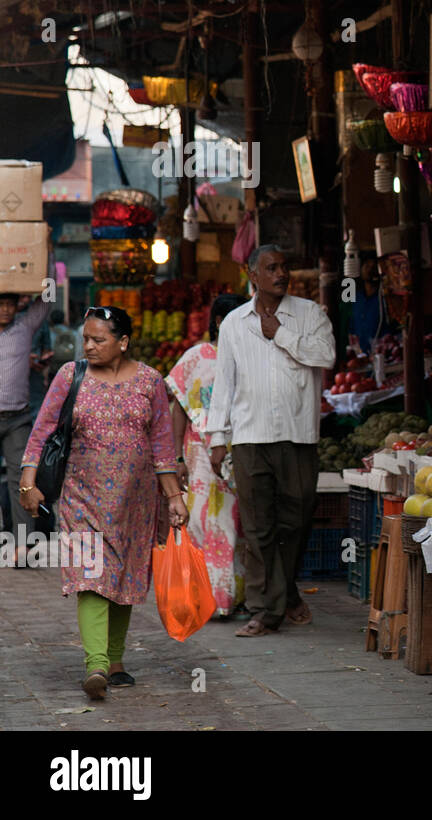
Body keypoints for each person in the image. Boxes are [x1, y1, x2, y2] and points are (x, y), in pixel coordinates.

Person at [18, 306, 188, 700]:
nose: (89, 346)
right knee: (90, 575)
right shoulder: (69, 376)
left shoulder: (150, 382)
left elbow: (163, 445)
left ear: (123, 342)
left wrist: (174, 498)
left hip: (136, 501)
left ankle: (115, 659)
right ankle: (96, 663)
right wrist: (28, 480)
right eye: (86, 339)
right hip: (82, 497)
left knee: (125, 576)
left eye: (99, 340)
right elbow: (42, 428)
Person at [206, 245, 336, 637]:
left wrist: (280, 333)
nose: (281, 274)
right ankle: (265, 610)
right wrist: (217, 437)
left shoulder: (309, 314)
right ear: (252, 275)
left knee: (295, 522)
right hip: (249, 436)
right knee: (259, 527)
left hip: (298, 437)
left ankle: (285, 591)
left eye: (284, 267)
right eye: (272, 268)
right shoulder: (233, 323)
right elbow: (224, 383)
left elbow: (326, 355)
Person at [165, 293, 251, 618]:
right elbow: (179, 410)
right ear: (219, 323)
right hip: (199, 455)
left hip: (240, 453)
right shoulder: (197, 357)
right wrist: (176, 458)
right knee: (203, 527)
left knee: (236, 528)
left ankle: (233, 598)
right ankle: (210, 601)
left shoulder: (250, 357)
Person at [0, 288, 51, 536]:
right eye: (1, 305)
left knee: (21, 483)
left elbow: (47, 299)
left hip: (17, 419)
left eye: (10, 304)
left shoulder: (24, 328)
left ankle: (22, 543)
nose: (6, 309)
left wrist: (48, 254)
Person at [342, 256, 392, 354]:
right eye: (367, 265)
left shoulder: (385, 298)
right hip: (361, 357)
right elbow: (351, 328)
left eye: (373, 266)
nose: (370, 269)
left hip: (382, 354)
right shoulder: (356, 298)